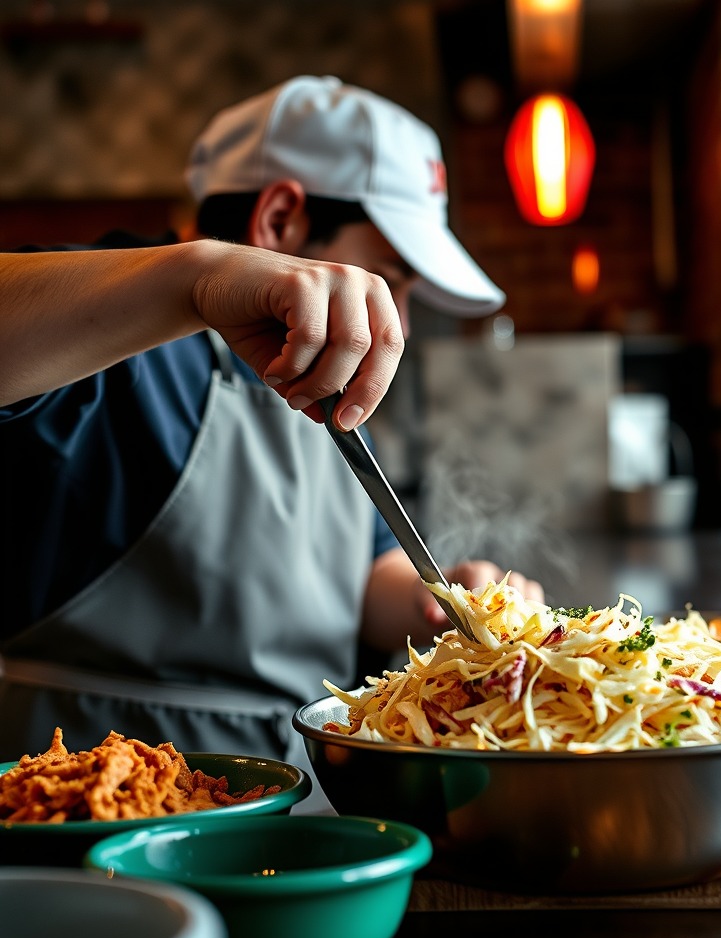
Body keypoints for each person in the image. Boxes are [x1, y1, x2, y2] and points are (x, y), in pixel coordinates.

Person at [0, 76, 542, 797]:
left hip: (296, 800)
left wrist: (434, 597)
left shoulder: (317, 372)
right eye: (387, 277)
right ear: (282, 221)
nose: (401, 323)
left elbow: (358, 575)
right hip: (92, 815)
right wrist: (198, 277)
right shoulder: (105, 334)